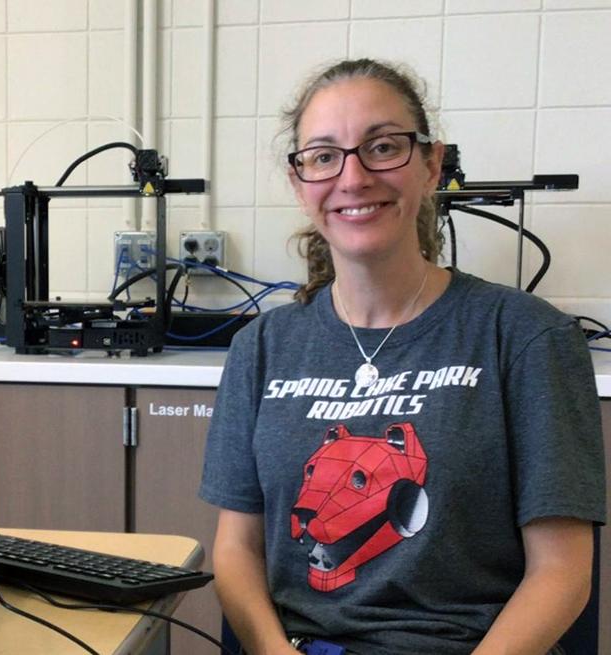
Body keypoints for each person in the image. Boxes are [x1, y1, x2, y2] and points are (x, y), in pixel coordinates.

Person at [199, 58, 605, 655]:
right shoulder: (262, 347)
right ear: (300, 182)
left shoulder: (525, 336)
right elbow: (238, 549)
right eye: (323, 155)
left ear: (432, 164)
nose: (354, 177)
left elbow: (562, 573)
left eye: (383, 146)